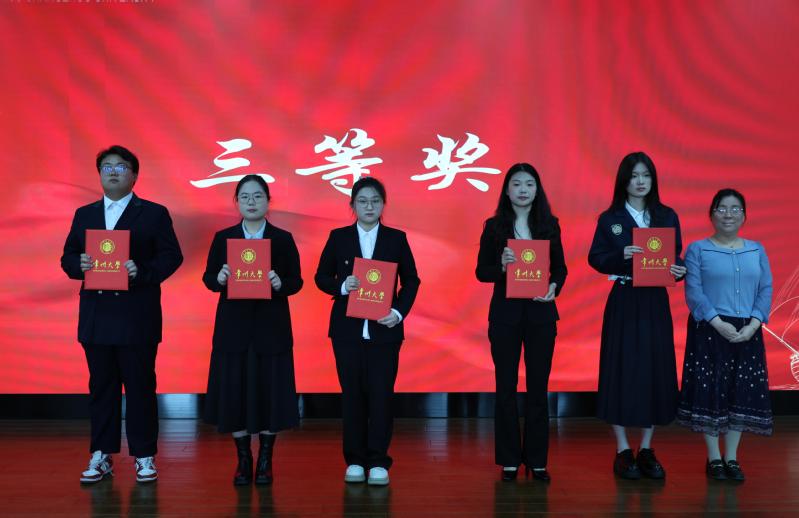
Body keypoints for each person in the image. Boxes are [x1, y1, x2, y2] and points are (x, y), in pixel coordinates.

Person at [61, 145, 183, 484]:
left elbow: (172, 257)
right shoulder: (85, 214)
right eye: (107, 167)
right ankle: (102, 454)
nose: (113, 172)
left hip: (136, 315)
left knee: (140, 386)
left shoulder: (154, 213)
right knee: (102, 386)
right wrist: (79, 264)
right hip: (97, 314)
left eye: (120, 166)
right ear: (99, 174)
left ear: (134, 175)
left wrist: (141, 271)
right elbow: (68, 257)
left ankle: (144, 455)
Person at [314, 177, 420, 486]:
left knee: (381, 396)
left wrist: (398, 312)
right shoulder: (339, 237)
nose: (369, 206)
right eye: (362, 201)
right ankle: (355, 460)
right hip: (347, 332)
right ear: (352, 205)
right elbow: (321, 276)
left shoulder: (396, 239)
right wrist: (342, 285)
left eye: (375, 201)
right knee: (352, 397)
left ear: (383, 204)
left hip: (384, 332)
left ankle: (378, 461)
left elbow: (411, 280)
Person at [587, 151, 686, 480]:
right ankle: (622, 449)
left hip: (655, 300)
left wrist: (679, 270)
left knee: (654, 368)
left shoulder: (666, 215)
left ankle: (646, 448)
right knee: (620, 367)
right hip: (625, 298)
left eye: (645, 175)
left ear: (653, 179)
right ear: (623, 181)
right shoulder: (610, 218)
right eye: (633, 176)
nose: (640, 182)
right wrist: (621, 254)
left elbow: (675, 257)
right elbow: (595, 258)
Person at [202, 174, 303, 486]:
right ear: (237, 202)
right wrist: (219, 278)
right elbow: (208, 279)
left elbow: (296, 281)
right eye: (245, 196)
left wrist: (280, 283)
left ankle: (266, 460)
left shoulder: (282, 239)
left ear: (268, 201)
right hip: (233, 328)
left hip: (271, 328)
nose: (251, 201)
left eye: (258, 196)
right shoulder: (223, 238)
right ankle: (244, 459)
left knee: (270, 393)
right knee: (235, 393)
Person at [476, 163, 567, 482]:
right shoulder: (494, 227)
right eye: (516, 184)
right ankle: (510, 460)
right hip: (505, 316)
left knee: (538, 387)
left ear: (537, 189)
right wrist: (501, 267)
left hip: (541, 315)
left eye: (529, 183)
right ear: (507, 190)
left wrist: (554, 286)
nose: (523, 189)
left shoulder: (550, 225)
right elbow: (481, 271)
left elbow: (560, 269)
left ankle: (537, 460)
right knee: (505, 387)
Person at [677, 188, 772, 481]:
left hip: (747, 331)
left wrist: (754, 325)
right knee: (711, 393)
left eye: (735, 209)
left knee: (738, 392)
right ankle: (714, 457)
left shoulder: (756, 249)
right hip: (710, 329)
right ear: (711, 214)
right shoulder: (697, 249)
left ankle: (731, 457)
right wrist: (717, 323)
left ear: (744, 216)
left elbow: (766, 288)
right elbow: (693, 291)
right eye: (721, 209)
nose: (728, 214)